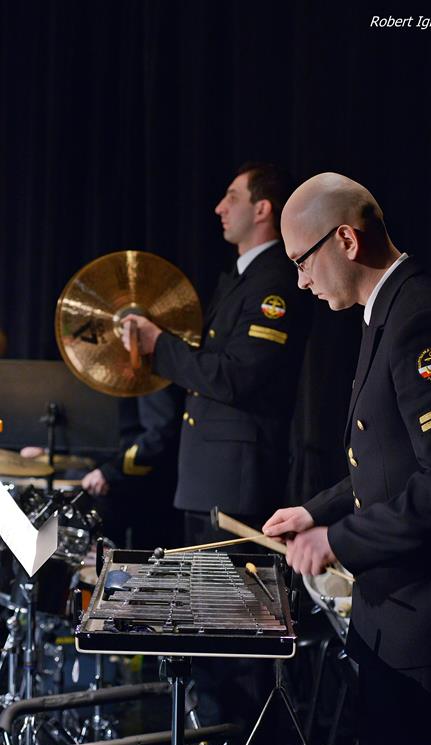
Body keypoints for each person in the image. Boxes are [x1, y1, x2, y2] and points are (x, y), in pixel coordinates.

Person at [262, 172, 431, 745]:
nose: (300, 281)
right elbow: (389, 463)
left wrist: (336, 539)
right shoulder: (389, 313)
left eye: (301, 261)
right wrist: (314, 512)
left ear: (346, 240)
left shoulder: (425, 318)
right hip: (399, 615)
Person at [122, 162, 313, 543]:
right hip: (210, 478)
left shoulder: (272, 282)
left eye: (232, 198)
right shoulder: (242, 279)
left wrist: (159, 343)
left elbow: (237, 377)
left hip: (235, 482)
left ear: (262, 209)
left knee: (228, 584)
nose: (219, 208)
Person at [81, 384, 184, 548]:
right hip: (117, 483)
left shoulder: (151, 378)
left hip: (149, 490)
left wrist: (110, 471)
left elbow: (159, 435)